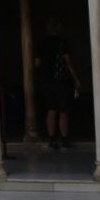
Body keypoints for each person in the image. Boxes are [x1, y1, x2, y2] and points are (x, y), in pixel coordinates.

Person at [35, 17, 81, 150]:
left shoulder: (41, 43)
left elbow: (37, 63)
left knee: (51, 110)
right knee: (63, 110)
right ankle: (64, 139)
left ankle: (51, 139)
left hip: (47, 81)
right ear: (59, 27)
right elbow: (67, 62)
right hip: (62, 81)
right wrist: (76, 79)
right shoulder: (63, 42)